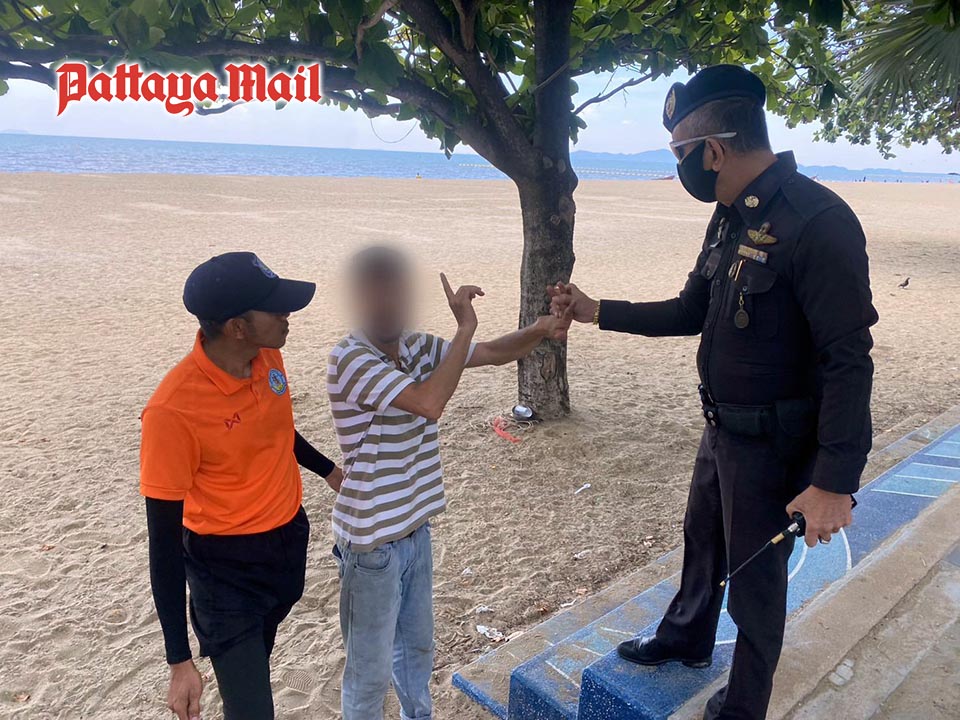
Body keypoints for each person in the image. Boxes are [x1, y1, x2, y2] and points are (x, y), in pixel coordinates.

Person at [549, 65, 877, 720]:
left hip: (776, 444)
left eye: (681, 152)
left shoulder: (817, 221)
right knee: (702, 538)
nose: (680, 166)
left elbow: (849, 361)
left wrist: (834, 483)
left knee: (755, 583)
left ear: (714, 151)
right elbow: (690, 309)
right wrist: (596, 310)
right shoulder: (730, 217)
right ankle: (687, 637)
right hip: (722, 429)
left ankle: (743, 706)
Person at [326, 246, 570, 720]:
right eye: (376, 295)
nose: (388, 305)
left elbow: (492, 354)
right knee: (369, 673)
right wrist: (464, 329)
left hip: (415, 531)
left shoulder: (416, 347)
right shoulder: (350, 359)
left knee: (417, 654)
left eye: (396, 294)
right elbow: (429, 402)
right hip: (370, 545)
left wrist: (541, 329)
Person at [140, 252, 342, 720]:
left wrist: (328, 470)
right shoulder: (172, 412)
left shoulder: (266, 355)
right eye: (274, 308)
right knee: (253, 710)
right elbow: (163, 543)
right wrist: (179, 660)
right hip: (226, 574)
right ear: (236, 327)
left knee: (253, 676)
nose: (287, 315)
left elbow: (275, 428)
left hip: (286, 547)